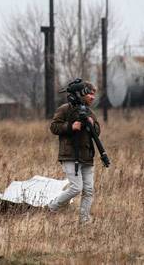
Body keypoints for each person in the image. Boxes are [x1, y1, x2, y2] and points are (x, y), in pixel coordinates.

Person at [48, 80, 101, 224]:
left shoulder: (89, 112)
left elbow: (97, 132)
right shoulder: (65, 109)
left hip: (87, 156)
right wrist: (71, 126)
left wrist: (92, 124)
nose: (93, 97)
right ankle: (52, 206)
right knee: (76, 188)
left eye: (94, 94)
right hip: (70, 155)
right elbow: (54, 127)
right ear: (81, 94)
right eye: (90, 94)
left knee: (89, 190)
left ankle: (84, 220)